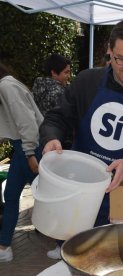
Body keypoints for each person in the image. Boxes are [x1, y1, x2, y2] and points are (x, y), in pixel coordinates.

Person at [39, 20, 123, 259]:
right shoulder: (86, 81)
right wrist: (51, 138)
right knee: (76, 258)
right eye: (121, 59)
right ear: (109, 51)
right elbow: (57, 118)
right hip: (78, 192)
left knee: (114, 261)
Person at [0, 62, 43, 262]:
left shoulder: (6, 86)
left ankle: (63, 245)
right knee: (11, 196)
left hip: (29, 147)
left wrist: (29, 153)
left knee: (47, 197)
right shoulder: (6, 85)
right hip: (24, 147)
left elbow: (27, 122)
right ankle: (4, 247)